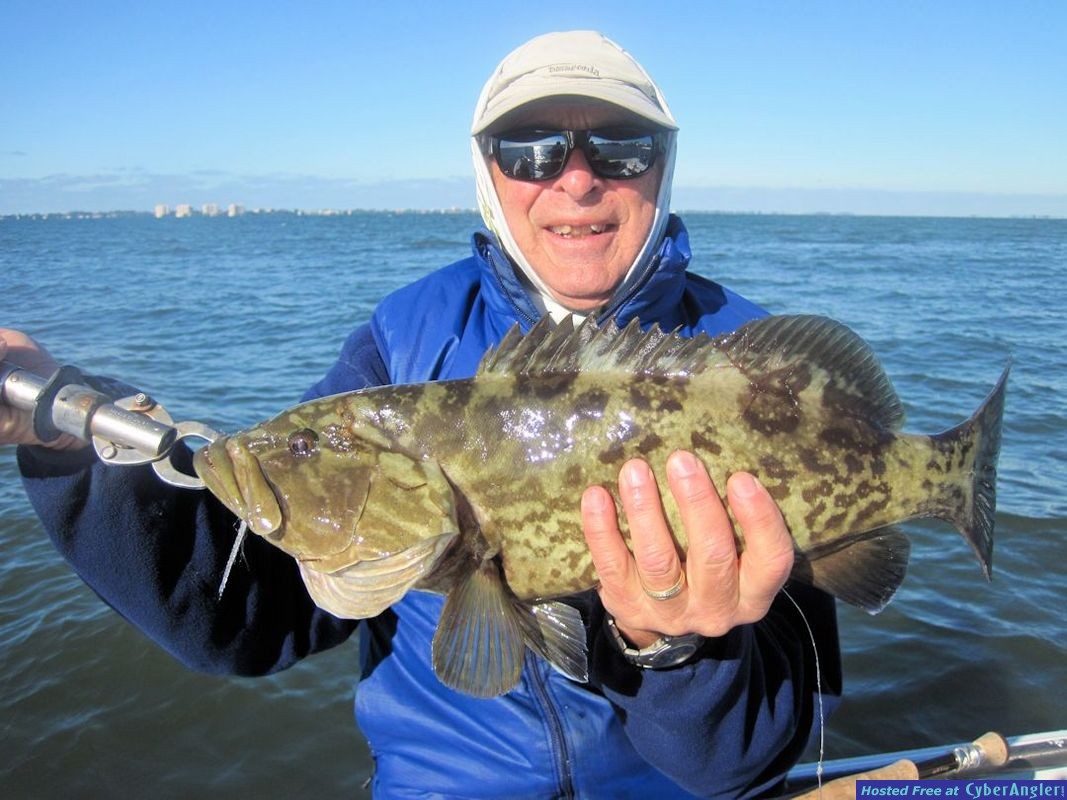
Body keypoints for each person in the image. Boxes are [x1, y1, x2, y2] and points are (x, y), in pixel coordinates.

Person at [1, 31, 840, 799]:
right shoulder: (399, 342)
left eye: (621, 147)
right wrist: (60, 428)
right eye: (530, 149)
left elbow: (749, 763)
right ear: (487, 173)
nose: (575, 177)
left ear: (663, 165)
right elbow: (240, 620)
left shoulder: (753, 373)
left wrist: (676, 650)